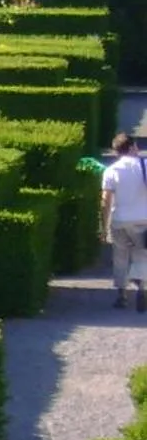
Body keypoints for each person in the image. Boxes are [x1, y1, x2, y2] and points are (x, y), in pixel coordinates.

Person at [101, 132, 147, 310]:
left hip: (119, 219)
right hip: (143, 219)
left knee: (120, 256)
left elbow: (105, 201)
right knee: (141, 255)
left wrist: (103, 227)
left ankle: (122, 294)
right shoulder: (144, 165)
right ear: (133, 147)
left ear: (116, 151)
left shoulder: (111, 170)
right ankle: (142, 288)